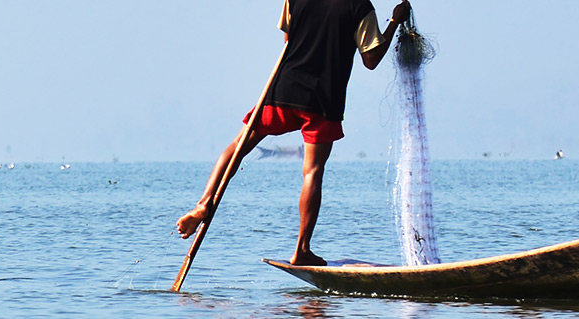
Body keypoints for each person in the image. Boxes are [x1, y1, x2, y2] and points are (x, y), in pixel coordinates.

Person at [175, 0, 413, 266]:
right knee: (312, 172)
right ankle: (301, 250)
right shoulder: (360, 6)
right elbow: (371, 59)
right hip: (322, 101)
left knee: (238, 147)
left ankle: (204, 202)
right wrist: (394, 23)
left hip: (281, 92)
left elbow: (288, 38)